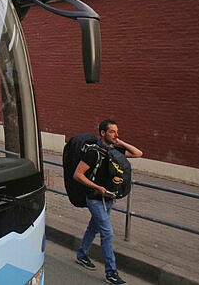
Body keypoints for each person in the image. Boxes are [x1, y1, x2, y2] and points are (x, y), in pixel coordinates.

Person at [74, 119, 143, 284]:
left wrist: (119, 141)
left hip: (109, 198)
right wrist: (98, 187)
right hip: (95, 198)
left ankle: (82, 255)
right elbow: (78, 174)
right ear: (103, 133)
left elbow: (138, 153)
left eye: (117, 132)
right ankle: (111, 273)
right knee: (107, 232)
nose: (116, 135)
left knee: (94, 227)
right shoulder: (93, 153)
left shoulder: (115, 150)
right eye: (112, 132)